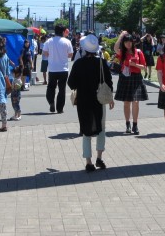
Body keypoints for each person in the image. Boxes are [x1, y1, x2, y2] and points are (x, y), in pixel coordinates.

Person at [67, 34, 114, 172]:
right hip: (99, 100)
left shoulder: (78, 63)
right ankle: (99, 157)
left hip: (83, 101)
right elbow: (109, 81)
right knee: (101, 128)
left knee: (86, 130)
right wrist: (110, 98)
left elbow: (71, 83)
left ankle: (88, 161)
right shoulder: (101, 62)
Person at [113, 31, 147, 134]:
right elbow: (115, 48)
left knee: (136, 102)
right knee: (126, 102)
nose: (128, 44)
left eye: (130, 42)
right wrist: (121, 36)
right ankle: (127, 124)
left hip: (136, 77)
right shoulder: (123, 53)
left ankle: (135, 125)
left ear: (132, 42)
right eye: (126, 42)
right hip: (125, 77)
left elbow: (144, 67)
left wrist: (135, 64)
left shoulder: (138, 52)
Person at [42, 24, 73, 114]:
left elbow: (44, 52)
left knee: (51, 87)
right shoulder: (67, 41)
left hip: (52, 68)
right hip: (63, 69)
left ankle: (51, 102)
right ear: (63, 31)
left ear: (54, 31)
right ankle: (60, 108)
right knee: (62, 89)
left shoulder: (49, 41)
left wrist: (51, 55)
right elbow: (71, 54)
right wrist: (63, 55)